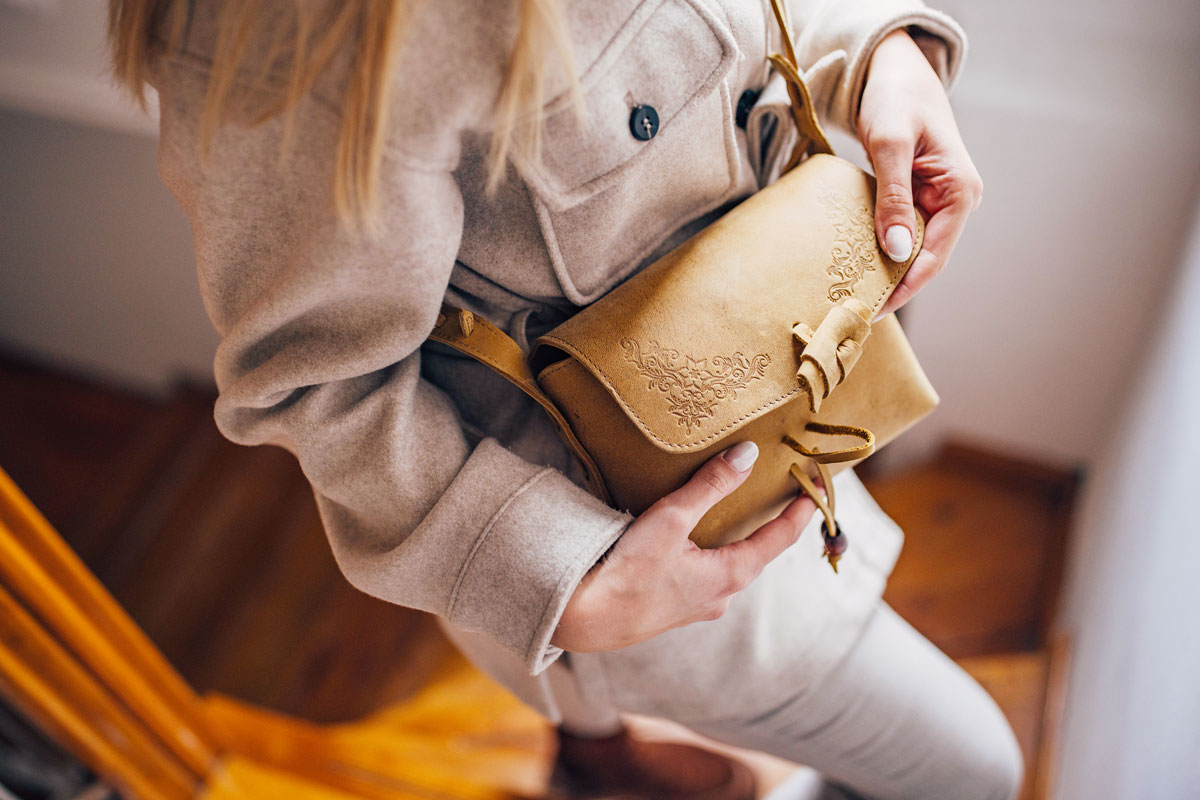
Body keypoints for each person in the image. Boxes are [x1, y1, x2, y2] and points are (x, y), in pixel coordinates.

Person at [111, 0, 1019, 797]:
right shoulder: (306, 44)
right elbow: (314, 385)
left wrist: (876, 46)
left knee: (578, 690)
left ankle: (593, 755)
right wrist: (564, 585)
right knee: (977, 770)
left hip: (784, 384)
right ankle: (593, 737)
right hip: (624, 532)